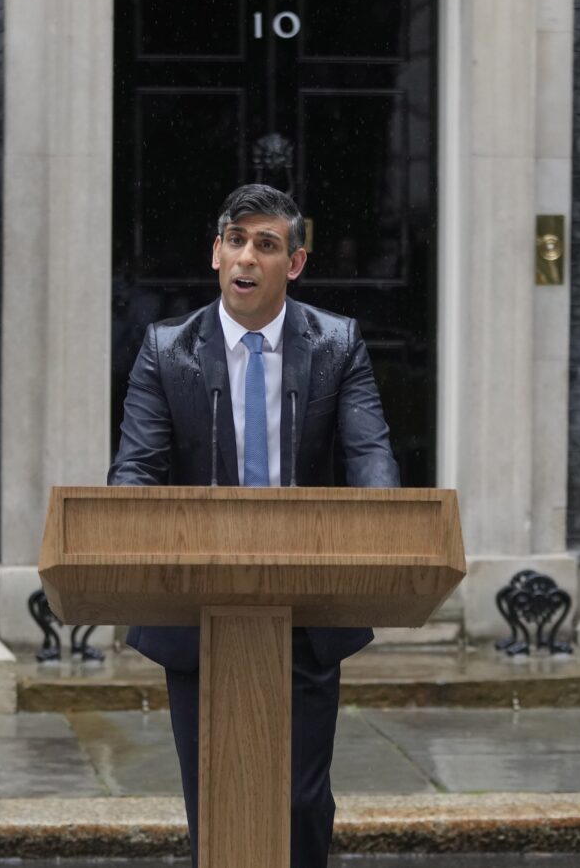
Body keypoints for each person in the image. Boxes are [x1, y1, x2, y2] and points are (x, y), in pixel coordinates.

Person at [108, 183, 399, 868]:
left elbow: (370, 456)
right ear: (215, 253)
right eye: (234, 240)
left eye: (265, 244)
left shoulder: (336, 345)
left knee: (299, 804)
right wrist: (123, 534)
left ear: (293, 263)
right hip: (199, 612)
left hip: (304, 607)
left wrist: (386, 527)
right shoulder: (167, 350)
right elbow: (136, 471)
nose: (246, 256)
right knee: (216, 804)